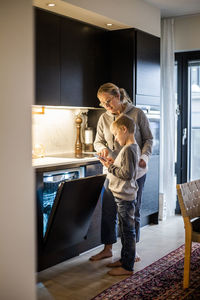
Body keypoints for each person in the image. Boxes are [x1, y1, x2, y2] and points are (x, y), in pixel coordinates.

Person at [90, 82, 153, 261]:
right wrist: (102, 148)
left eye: (108, 101)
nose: (106, 106)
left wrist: (144, 157)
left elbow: (149, 139)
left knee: (133, 210)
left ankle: (132, 250)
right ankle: (107, 248)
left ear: (118, 96)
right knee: (108, 209)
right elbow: (98, 141)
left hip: (135, 171)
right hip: (112, 172)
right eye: (102, 103)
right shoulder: (104, 118)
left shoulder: (137, 113)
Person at [98, 114, 139, 275]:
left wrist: (110, 167)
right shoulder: (130, 148)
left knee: (128, 231)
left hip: (125, 197)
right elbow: (125, 170)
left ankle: (127, 267)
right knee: (123, 230)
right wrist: (110, 163)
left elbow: (127, 174)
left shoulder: (129, 149)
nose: (115, 139)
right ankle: (124, 259)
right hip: (123, 195)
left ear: (124, 129)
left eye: (115, 134)